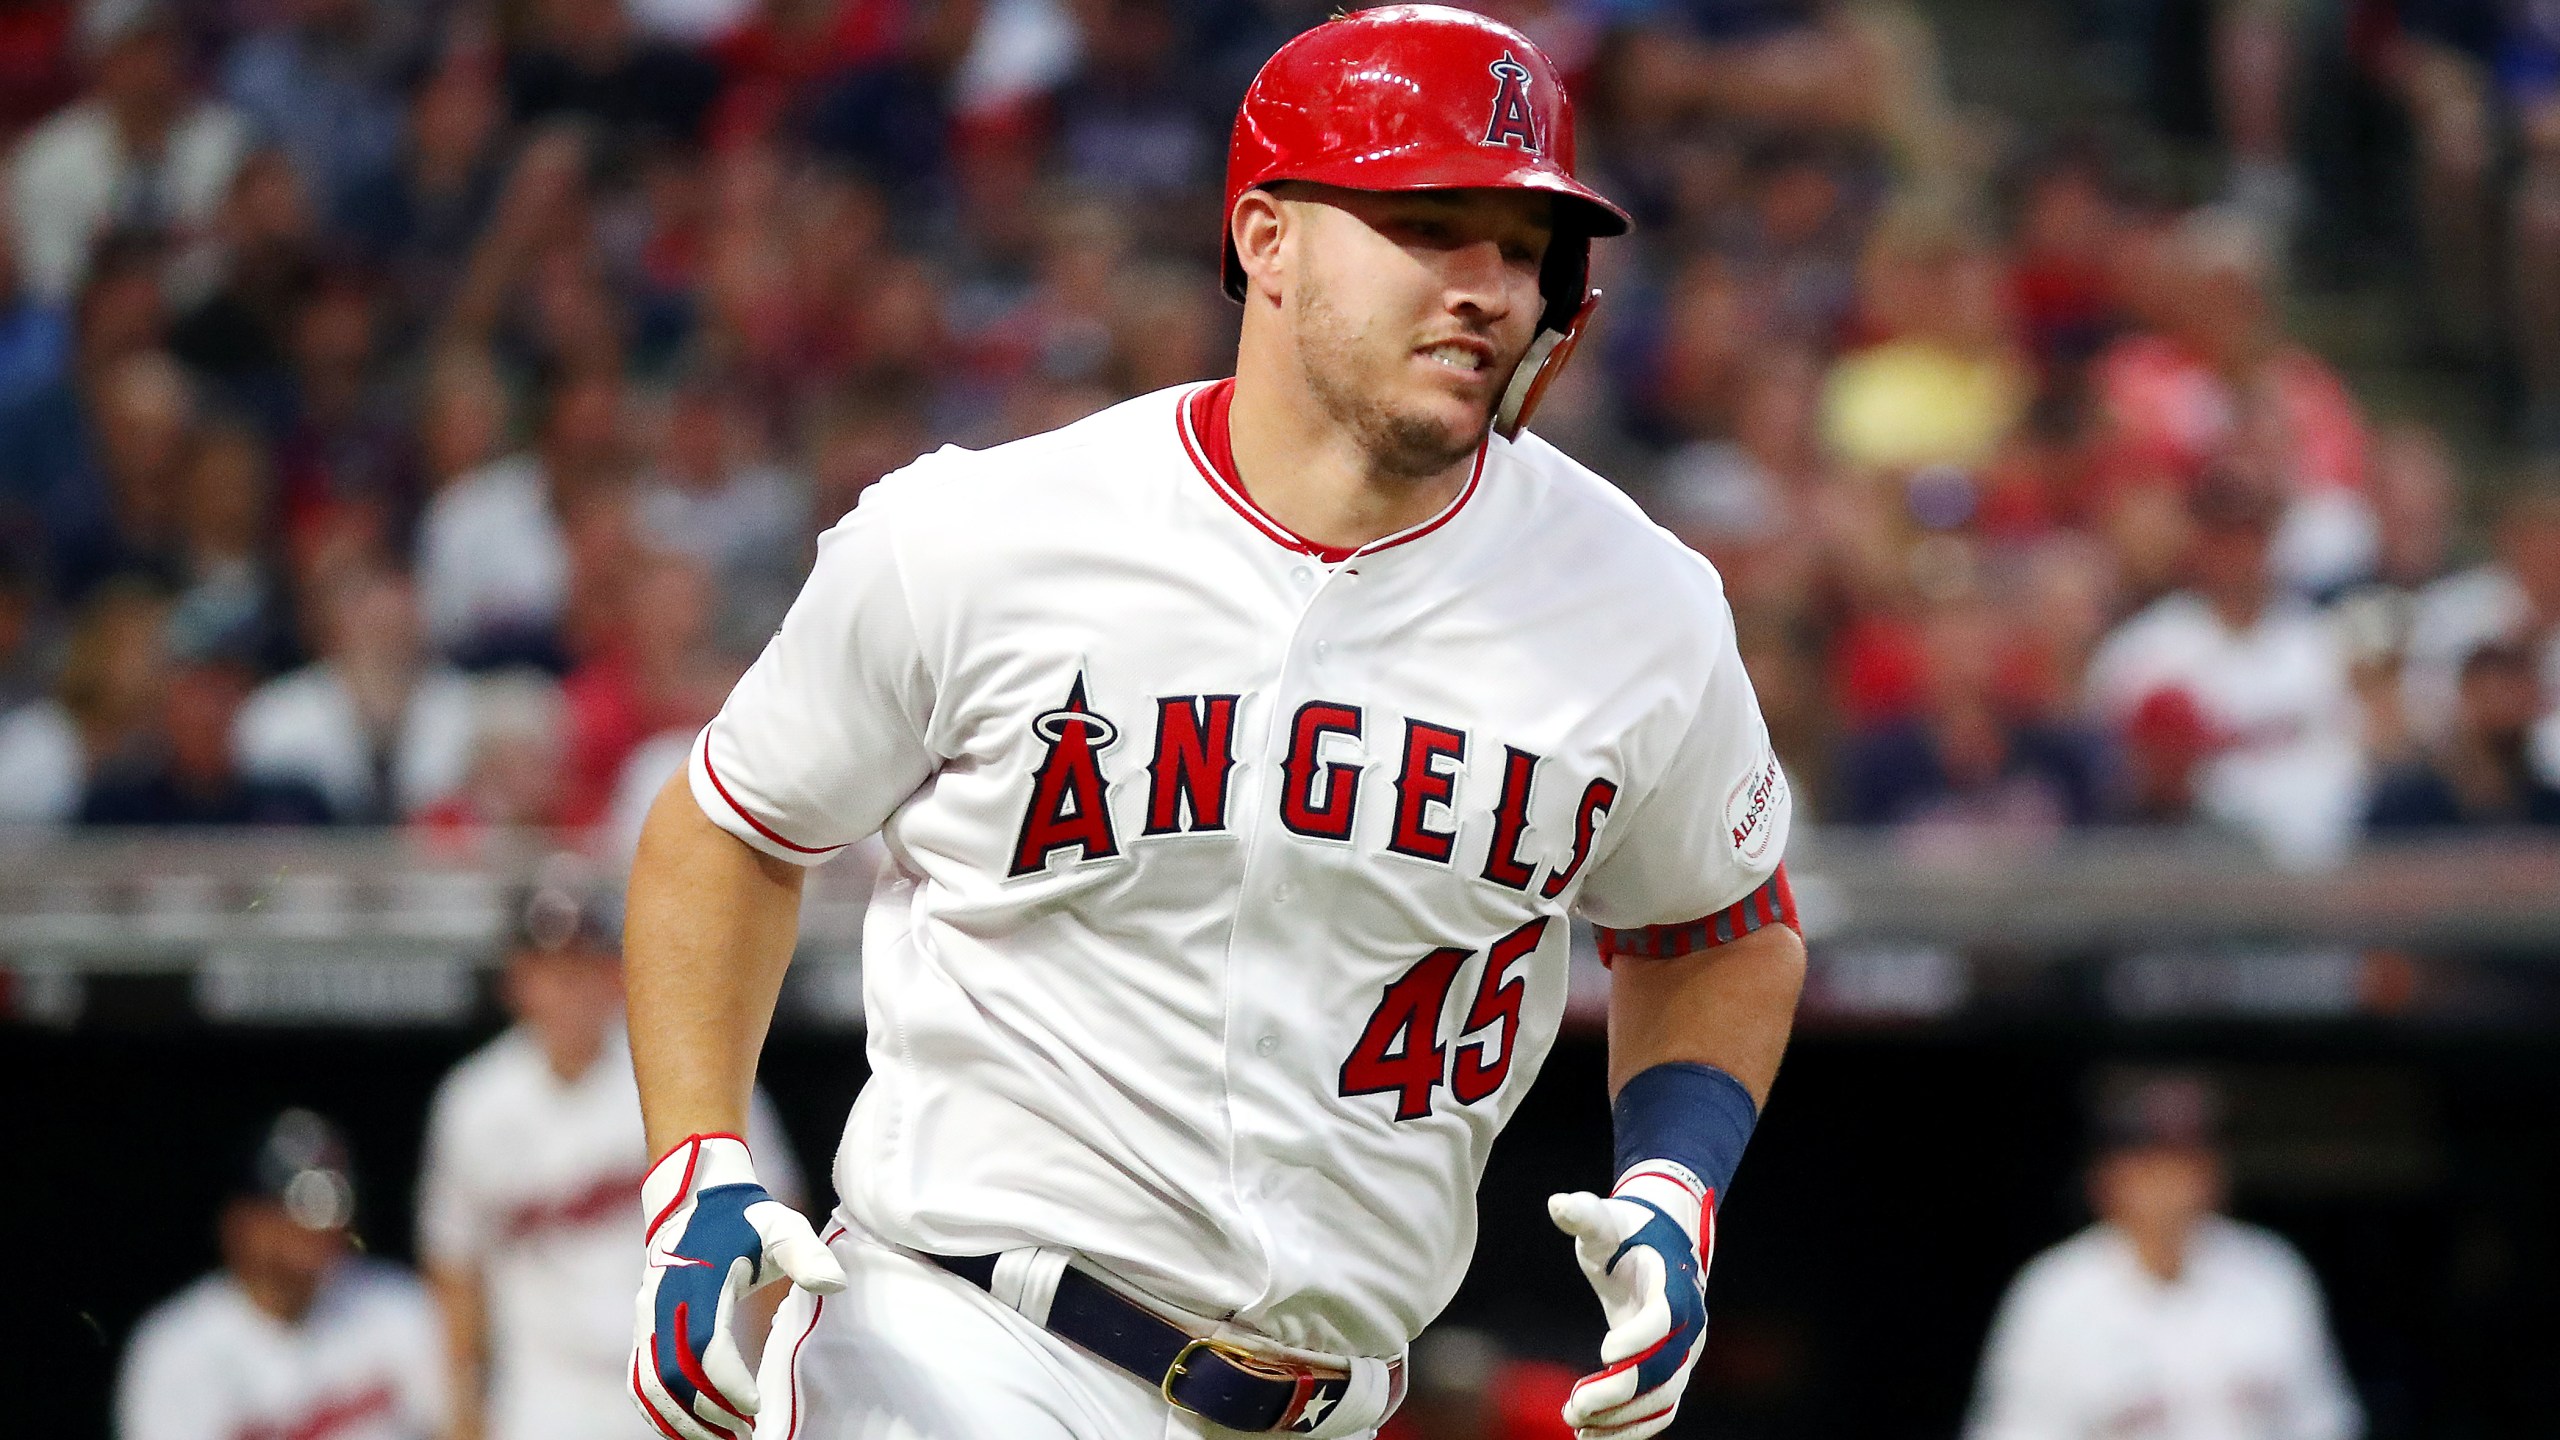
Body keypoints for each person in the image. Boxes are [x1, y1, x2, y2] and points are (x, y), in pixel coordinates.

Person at [620, 10, 1806, 1440]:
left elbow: (1717, 923)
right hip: (963, 1346)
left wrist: (1676, 1181)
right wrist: (697, 1162)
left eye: (1523, 245)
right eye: (1430, 223)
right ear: (1266, 238)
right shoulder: (984, 535)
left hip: (1336, 1398)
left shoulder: (1637, 603)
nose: (1489, 286)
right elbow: (734, 826)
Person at [418, 880, 802, 1440]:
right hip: (547, 1394)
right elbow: (455, 1276)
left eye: (582, 968)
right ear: (516, 981)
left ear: (616, 976)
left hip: (688, 1381)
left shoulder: (691, 1075)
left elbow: (776, 1237)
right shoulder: (474, 1102)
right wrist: (464, 1417)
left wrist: (782, 1389)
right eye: (548, 970)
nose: (566, 989)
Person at [1965, 1072, 2362, 1440]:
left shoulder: (2272, 1273)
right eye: (2150, 1163)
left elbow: (2323, 1422)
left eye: (2188, 1160)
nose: (2172, 1184)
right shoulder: (2055, 1294)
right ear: (2107, 1178)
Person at [115, 1108, 448, 1440]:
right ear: (240, 1222)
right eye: (295, 1208)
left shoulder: (397, 1303)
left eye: (329, 1204)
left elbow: (462, 1424)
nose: (316, 1223)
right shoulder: (176, 1348)